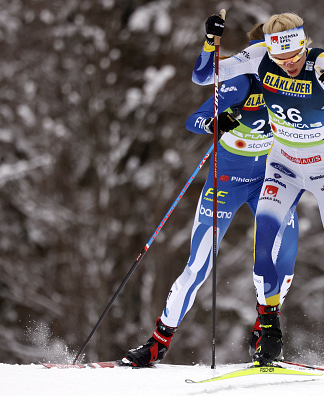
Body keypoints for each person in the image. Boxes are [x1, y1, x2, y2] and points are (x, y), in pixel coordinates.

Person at [192, 12, 324, 377]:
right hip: (282, 162)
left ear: (304, 44)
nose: (289, 65)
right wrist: (211, 41)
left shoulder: (322, 62)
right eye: (281, 59)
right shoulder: (259, 57)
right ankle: (268, 331)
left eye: (295, 57)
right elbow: (204, 76)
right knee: (263, 252)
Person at [119, 24, 299, 367]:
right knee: (198, 266)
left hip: (271, 181)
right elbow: (194, 119)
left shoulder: (293, 84)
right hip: (227, 182)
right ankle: (158, 342)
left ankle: (264, 328)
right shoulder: (241, 82)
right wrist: (215, 123)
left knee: (285, 258)